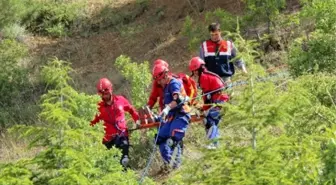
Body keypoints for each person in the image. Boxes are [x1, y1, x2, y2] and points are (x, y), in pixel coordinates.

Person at [90, 78, 141, 168]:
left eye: (106, 93)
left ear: (111, 90)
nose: (104, 96)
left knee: (124, 161)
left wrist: (137, 120)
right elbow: (92, 123)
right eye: (102, 94)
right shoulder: (98, 107)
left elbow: (132, 110)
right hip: (108, 141)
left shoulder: (120, 100)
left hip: (122, 136)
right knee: (112, 166)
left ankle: (127, 176)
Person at [152, 63, 191, 171]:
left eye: (159, 80)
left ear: (164, 75)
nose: (159, 83)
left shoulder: (174, 83)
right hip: (171, 116)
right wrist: (160, 114)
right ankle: (170, 163)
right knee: (159, 138)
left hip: (181, 114)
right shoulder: (165, 87)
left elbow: (177, 99)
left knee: (173, 138)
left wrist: (168, 108)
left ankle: (176, 167)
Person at [188, 57, 229, 149]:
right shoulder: (206, 75)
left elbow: (208, 97)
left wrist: (205, 110)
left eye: (195, 71)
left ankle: (213, 143)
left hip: (220, 101)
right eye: (193, 71)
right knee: (211, 121)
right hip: (220, 100)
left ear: (200, 68)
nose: (194, 73)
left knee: (210, 118)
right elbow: (208, 97)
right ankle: (215, 146)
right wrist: (203, 109)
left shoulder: (204, 77)